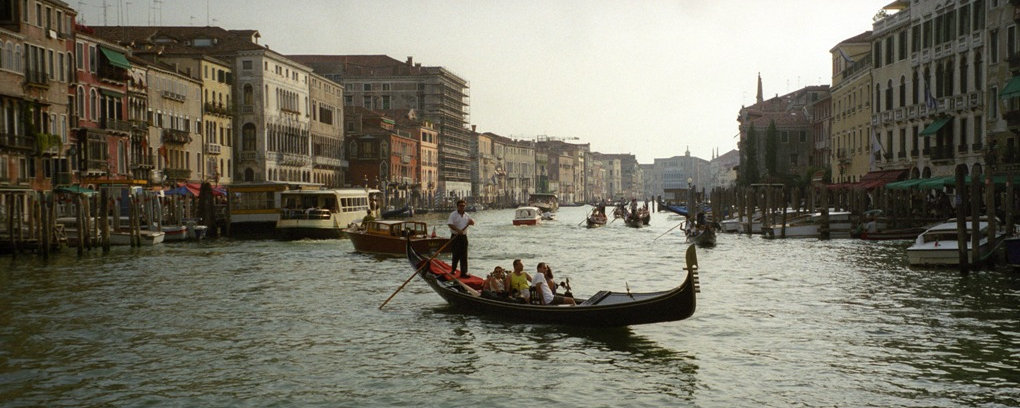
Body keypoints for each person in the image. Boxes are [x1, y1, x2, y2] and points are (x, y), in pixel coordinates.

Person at [447, 199, 475, 278]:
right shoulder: (453, 214)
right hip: (455, 236)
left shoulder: (467, 215)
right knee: (455, 254)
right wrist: (457, 230)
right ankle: (453, 269)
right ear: (457, 206)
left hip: (463, 237)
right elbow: (450, 224)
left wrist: (472, 222)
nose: (462, 207)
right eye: (460, 206)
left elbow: (472, 222)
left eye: (463, 206)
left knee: (464, 255)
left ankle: (464, 272)